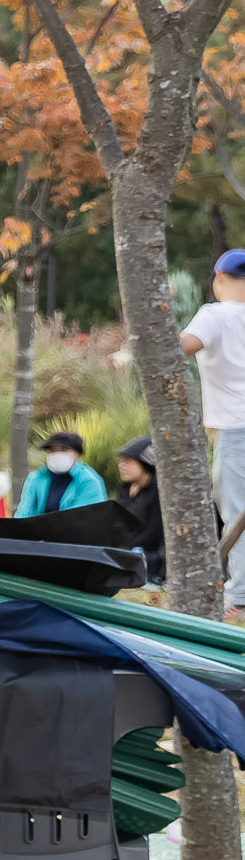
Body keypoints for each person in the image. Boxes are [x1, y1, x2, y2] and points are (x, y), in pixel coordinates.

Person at [181, 248, 245, 612]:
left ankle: (239, 600)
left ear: (219, 278)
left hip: (237, 430)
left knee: (236, 515)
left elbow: (181, 347)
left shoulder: (214, 315)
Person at [16, 429, 108, 516]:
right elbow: (23, 512)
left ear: (77, 455)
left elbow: (81, 518)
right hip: (36, 530)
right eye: (52, 450)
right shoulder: (36, 478)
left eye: (63, 450)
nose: (56, 454)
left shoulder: (89, 482)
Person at [114, 436, 165, 582]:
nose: (121, 466)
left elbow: (153, 532)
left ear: (146, 463)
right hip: (124, 551)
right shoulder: (125, 488)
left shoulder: (158, 492)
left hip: (150, 558)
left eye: (128, 461)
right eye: (121, 460)